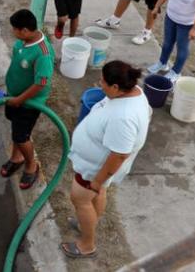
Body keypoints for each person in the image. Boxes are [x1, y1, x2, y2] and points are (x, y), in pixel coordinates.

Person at [63, 60, 151, 259]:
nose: (99, 83)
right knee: (97, 194)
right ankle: (88, 222)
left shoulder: (124, 117)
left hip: (95, 169)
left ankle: (87, 244)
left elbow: (119, 155)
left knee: (80, 199)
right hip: (98, 169)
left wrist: (96, 180)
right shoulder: (133, 90)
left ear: (116, 87)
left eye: (103, 82)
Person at [0, 10, 55, 190]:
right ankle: (17, 157)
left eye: (15, 29)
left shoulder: (43, 53)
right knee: (16, 129)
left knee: (22, 136)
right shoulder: (22, 42)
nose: (13, 32)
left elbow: (41, 83)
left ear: (25, 30)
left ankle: (31, 165)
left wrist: (20, 100)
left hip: (28, 103)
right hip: (14, 96)